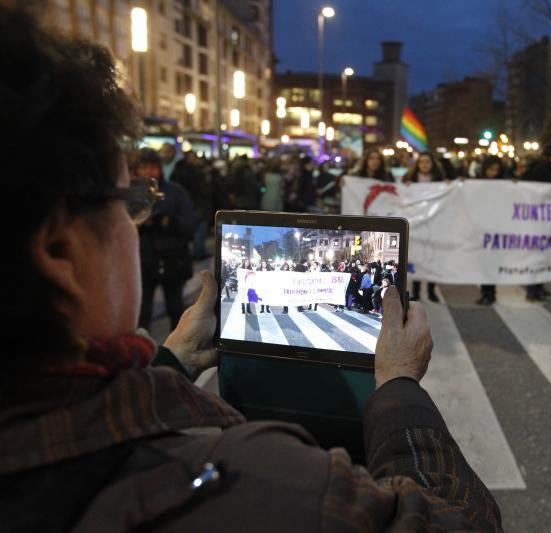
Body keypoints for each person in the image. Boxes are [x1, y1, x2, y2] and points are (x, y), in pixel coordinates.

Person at [0, 8, 500, 530]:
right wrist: (398, 384)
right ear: (59, 250)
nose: (138, 221)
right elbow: (462, 522)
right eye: (129, 201)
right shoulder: (274, 488)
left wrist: (172, 364)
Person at [135, 148, 196, 330]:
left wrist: (168, 220)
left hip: (172, 260)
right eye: (143, 167)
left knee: (175, 310)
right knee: (142, 312)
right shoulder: (132, 194)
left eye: (153, 167)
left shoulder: (175, 192)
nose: (148, 172)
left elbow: (189, 225)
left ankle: (174, 354)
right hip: (144, 261)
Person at [521, 144, 551, 302]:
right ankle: (532, 289)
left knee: (543, 254)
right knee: (537, 253)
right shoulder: (541, 169)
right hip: (538, 218)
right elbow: (537, 190)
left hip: (547, 218)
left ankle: (539, 287)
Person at [404, 152, 444, 303]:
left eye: (427, 162)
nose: (425, 165)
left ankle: (431, 290)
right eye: (421, 162)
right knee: (417, 256)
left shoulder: (439, 180)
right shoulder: (410, 179)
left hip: (434, 222)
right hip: (417, 222)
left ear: (432, 164)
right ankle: (416, 290)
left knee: (432, 257)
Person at [171, 150, 214, 260]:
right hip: (196, 204)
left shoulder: (177, 169)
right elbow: (200, 189)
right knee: (199, 229)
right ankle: (198, 252)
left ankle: (197, 251)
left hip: (186, 204)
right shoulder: (193, 172)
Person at [476, 156, 506, 305]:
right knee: (483, 262)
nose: (493, 173)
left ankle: (491, 292)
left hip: (497, 229)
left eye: (496, 170)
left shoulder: (504, 184)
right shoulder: (477, 183)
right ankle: (484, 291)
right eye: (490, 169)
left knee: (493, 262)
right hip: (482, 228)